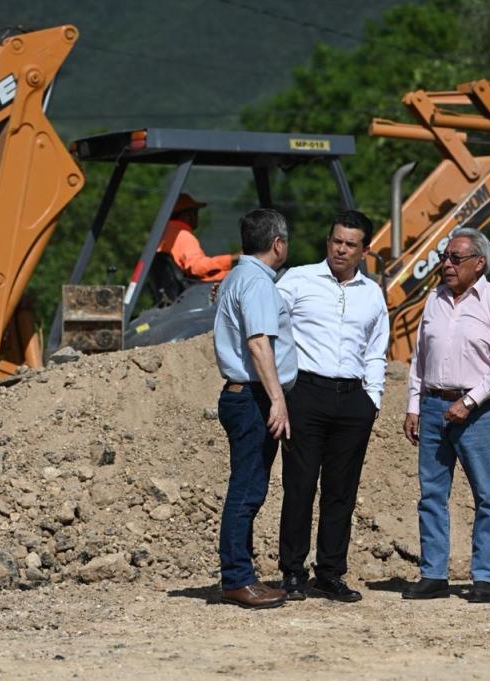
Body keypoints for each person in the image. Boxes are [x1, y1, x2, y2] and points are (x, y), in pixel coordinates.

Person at [275, 210, 389, 603]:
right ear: (328, 242)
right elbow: (269, 326)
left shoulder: (372, 294)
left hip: (353, 399)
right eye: (336, 241)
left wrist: (372, 399)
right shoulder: (297, 280)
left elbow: (376, 349)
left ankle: (330, 573)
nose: (341, 249)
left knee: (342, 491)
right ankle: (292, 572)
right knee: (300, 485)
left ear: (364, 251)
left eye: (350, 244)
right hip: (306, 393)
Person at [401, 227, 490, 604]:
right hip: (434, 406)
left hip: (477, 413)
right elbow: (419, 358)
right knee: (432, 494)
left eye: (455, 258)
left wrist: (469, 401)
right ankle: (434, 574)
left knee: (486, 495)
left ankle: (483, 578)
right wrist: (414, 405)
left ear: (479, 263)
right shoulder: (433, 300)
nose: (446, 265)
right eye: (444, 257)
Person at [212, 207, 297, 610]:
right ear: (278, 244)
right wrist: (277, 399)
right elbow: (258, 343)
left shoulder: (237, 277)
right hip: (252, 397)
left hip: (242, 394)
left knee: (247, 486)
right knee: (247, 490)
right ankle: (237, 579)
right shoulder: (258, 284)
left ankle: (240, 574)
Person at [157, 193, 236, 283]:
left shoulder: (162, 235)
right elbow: (197, 268)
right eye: (195, 212)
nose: (197, 217)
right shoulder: (182, 235)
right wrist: (233, 259)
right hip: (197, 288)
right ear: (187, 215)